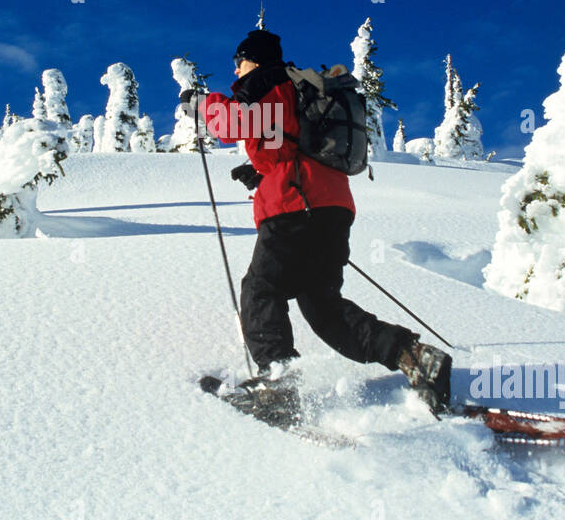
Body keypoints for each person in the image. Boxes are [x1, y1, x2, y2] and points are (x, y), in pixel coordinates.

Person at [182, 29, 452, 415]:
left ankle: (279, 381)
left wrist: (202, 103)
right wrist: (263, 175)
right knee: (323, 309)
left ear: (253, 60)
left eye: (238, 61)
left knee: (262, 289)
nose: (236, 69)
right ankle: (415, 357)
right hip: (330, 210)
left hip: (296, 210)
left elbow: (234, 121)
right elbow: (287, 139)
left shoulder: (269, 82)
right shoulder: (297, 90)